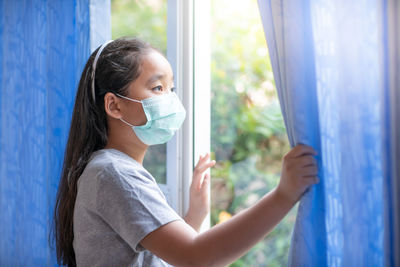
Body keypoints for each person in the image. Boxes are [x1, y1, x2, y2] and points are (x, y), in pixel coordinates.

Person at [53, 37, 319, 267]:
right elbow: (198, 259)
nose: (170, 100)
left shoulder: (109, 169)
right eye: (158, 88)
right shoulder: (113, 173)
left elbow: (167, 258)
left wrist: (195, 216)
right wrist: (284, 195)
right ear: (114, 105)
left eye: (172, 89)